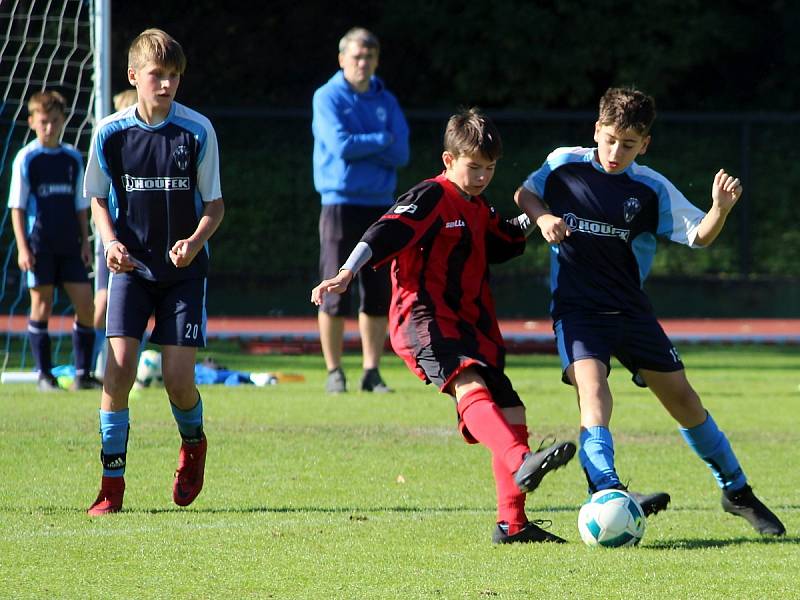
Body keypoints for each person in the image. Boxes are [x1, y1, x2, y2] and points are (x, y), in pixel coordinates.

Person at [515, 86, 785, 536]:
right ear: (596, 130)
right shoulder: (564, 163)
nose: (616, 151)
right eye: (610, 139)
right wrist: (542, 217)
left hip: (630, 312)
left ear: (645, 144)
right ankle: (606, 489)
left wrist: (719, 209)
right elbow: (526, 192)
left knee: (684, 400)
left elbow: (699, 236)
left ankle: (736, 491)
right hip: (577, 310)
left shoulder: (650, 188)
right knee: (593, 390)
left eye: (629, 143)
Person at [312, 108, 576, 544]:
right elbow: (384, 231)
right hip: (424, 321)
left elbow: (505, 240)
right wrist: (345, 272)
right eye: (474, 167)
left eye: (490, 169)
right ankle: (521, 459)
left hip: (470, 326)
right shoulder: (431, 196)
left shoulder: (478, 205)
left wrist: (540, 212)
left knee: (512, 408)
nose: (482, 177)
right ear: (449, 160)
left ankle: (512, 523)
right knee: (468, 381)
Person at [83, 28, 225, 515]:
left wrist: (194, 240)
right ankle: (111, 487)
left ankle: (193, 446)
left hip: (184, 274)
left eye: (174, 76)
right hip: (131, 270)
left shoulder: (198, 130)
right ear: (133, 76)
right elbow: (98, 198)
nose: (165, 84)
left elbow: (216, 206)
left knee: (177, 380)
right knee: (117, 373)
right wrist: (111, 242)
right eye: (156, 75)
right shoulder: (110, 133)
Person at [312, 27, 410, 394]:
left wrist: (368, 143)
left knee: (376, 289)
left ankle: (372, 371)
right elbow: (340, 146)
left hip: (380, 203)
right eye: (356, 56)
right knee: (336, 286)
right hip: (339, 201)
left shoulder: (387, 99)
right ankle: (334, 371)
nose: (362, 63)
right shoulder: (327, 96)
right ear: (342, 59)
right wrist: (381, 139)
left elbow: (402, 153)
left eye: (369, 56)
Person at [7, 90, 101, 392]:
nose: (49, 127)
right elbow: (17, 207)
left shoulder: (72, 157)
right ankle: (44, 376)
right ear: (33, 121)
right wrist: (23, 247)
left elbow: (80, 206)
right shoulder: (27, 158)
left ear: (63, 121)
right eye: (44, 121)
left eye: (55, 121)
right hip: (39, 246)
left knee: (86, 306)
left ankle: (83, 375)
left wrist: (85, 243)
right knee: (42, 305)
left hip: (70, 246)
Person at [91, 88, 139, 380]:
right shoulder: (110, 140)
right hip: (109, 240)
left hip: (135, 243)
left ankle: (131, 365)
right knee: (101, 304)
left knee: (134, 309)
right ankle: (91, 363)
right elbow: (97, 197)